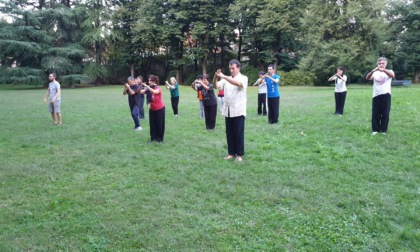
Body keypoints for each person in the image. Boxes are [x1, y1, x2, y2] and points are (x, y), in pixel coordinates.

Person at [216, 59, 248, 162]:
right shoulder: (226, 79)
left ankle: (239, 155)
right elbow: (216, 86)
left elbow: (238, 84)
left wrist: (223, 76)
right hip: (228, 110)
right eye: (230, 68)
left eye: (233, 68)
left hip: (238, 110)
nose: (231, 70)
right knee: (229, 133)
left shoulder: (244, 78)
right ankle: (231, 153)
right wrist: (215, 77)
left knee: (238, 133)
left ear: (238, 68)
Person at [366, 57, 395, 135]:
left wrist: (384, 70)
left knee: (385, 112)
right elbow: (368, 78)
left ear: (386, 64)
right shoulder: (375, 73)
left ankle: (383, 130)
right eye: (380, 63)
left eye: (383, 63)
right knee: (375, 113)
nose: (381, 65)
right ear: (377, 64)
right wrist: (373, 71)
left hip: (386, 94)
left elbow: (392, 76)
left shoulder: (389, 71)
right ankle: (375, 130)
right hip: (376, 94)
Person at [140, 75, 165, 142]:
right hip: (152, 109)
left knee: (159, 124)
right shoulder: (148, 88)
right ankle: (153, 138)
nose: (149, 82)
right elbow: (139, 92)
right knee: (152, 124)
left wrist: (147, 86)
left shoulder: (158, 88)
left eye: (150, 80)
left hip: (160, 109)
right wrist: (140, 86)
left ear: (154, 81)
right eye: (148, 80)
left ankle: (159, 139)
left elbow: (154, 92)